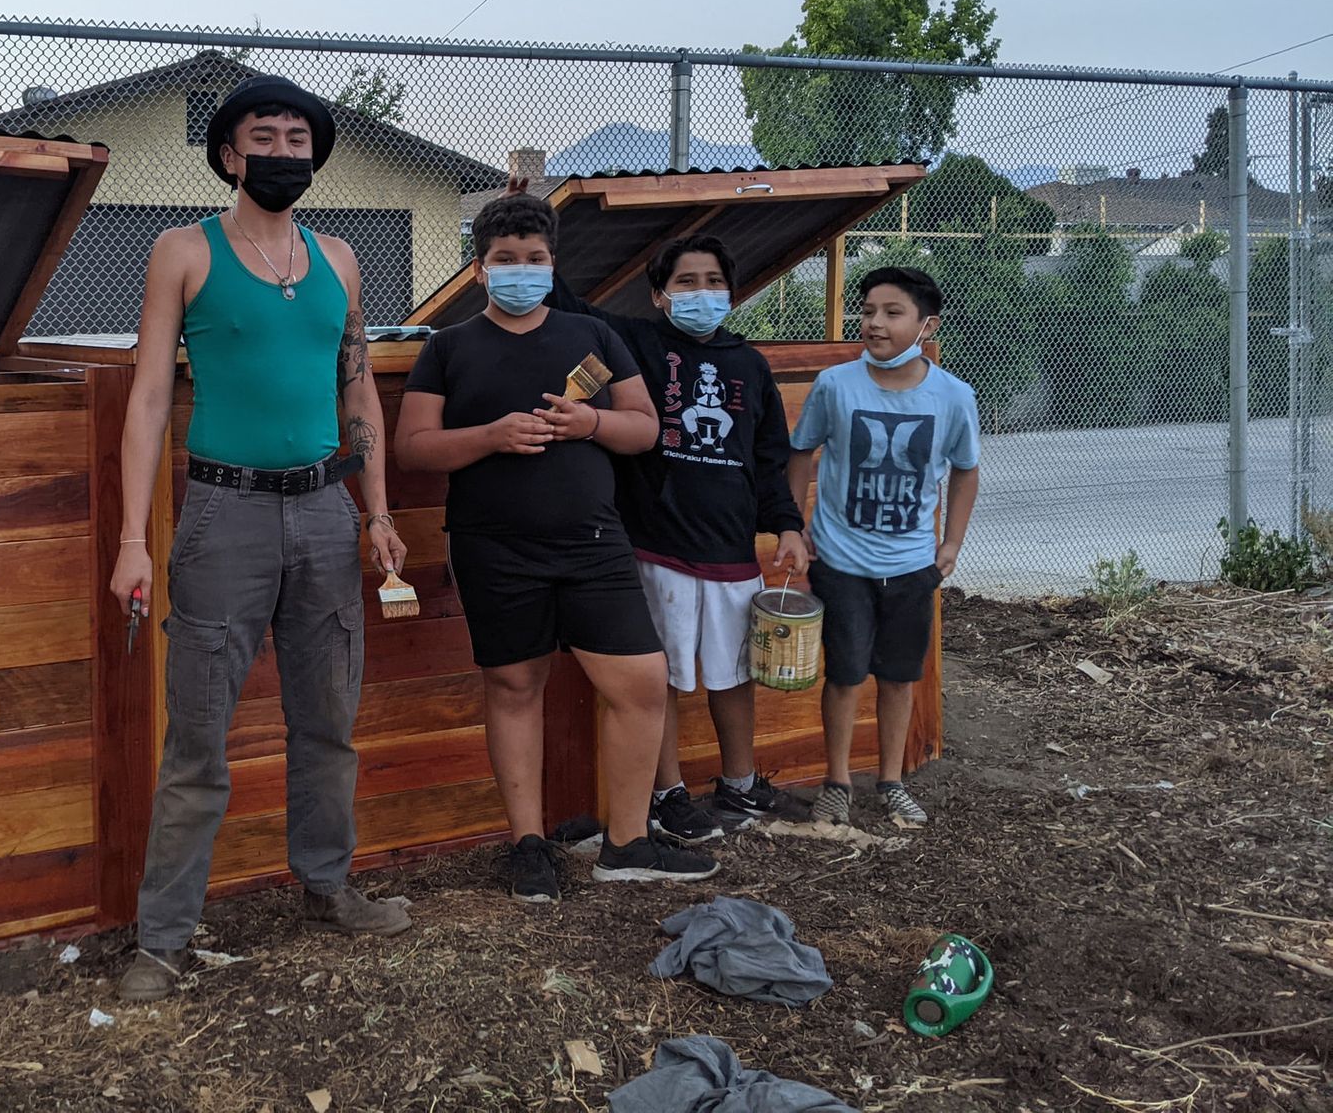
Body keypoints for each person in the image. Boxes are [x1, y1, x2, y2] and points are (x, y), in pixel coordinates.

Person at [109, 75, 412, 1002]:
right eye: (264, 137)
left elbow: (358, 390)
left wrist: (379, 512)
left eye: (297, 139)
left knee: (329, 720)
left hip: (326, 510)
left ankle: (326, 887)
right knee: (197, 737)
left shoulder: (341, 261)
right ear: (230, 154)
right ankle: (163, 938)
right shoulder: (182, 252)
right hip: (221, 516)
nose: (284, 152)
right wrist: (132, 537)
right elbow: (152, 395)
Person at [393, 193, 721, 903]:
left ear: (552, 263)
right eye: (505, 260)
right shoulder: (448, 347)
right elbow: (413, 447)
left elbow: (644, 429)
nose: (521, 271)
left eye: (535, 259)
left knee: (639, 682)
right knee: (515, 687)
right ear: (480, 269)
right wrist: (490, 437)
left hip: (593, 543)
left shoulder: (593, 336)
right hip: (491, 545)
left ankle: (626, 843)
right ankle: (528, 845)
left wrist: (588, 422)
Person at [545, 232, 812, 840]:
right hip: (656, 546)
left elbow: (769, 459)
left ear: (732, 292)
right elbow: (570, 308)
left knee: (734, 672)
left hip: (732, 551)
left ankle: (739, 786)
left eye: (714, 282)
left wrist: (789, 526)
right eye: (686, 283)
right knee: (657, 674)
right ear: (660, 296)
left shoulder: (750, 364)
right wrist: (543, 240)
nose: (702, 293)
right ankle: (666, 794)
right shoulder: (635, 343)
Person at [787, 266, 981, 829]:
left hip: (913, 566)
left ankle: (892, 781)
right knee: (844, 675)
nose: (875, 323)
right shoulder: (835, 385)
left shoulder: (953, 397)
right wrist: (794, 528)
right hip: (840, 562)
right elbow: (800, 455)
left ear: (926, 325)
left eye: (892, 313)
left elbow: (966, 472)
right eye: (868, 310)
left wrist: (950, 545)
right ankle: (837, 783)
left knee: (899, 676)